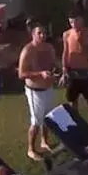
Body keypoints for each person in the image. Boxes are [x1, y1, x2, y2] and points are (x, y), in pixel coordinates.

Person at [18, 23, 58, 160]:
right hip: (35, 91)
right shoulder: (28, 51)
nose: (42, 35)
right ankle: (31, 149)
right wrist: (40, 74)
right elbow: (21, 74)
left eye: (44, 33)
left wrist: (56, 73)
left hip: (48, 88)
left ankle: (44, 141)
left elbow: (53, 65)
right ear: (33, 35)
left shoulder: (49, 48)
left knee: (48, 117)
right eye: (39, 33)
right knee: (36, 121)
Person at [62, 11, 88, 130]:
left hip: (85, 73)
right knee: (73, 102)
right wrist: (64, 69)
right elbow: (65, 52)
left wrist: (82, 42)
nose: (73, 24)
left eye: (76, 21)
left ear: (81, 20)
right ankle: (76, 126)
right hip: (72, 73)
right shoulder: (66, 34)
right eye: (71, 22)